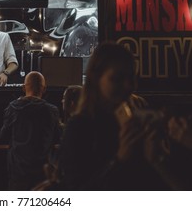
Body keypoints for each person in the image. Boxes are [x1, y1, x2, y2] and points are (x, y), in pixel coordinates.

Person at [58, 41, 170, 190]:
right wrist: (120, 159)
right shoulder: (81, 126)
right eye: (117, 78)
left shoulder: (136, 123)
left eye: (131, 78)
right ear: (96, 79)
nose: (128, 85)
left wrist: (157, 158)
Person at [0, 71, 62, 190]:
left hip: (18, 170)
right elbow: (57, 138)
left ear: (23, 88)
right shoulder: (51, 111)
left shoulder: (13, 108)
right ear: (44, 89)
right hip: (42, 172)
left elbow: (3, 136)